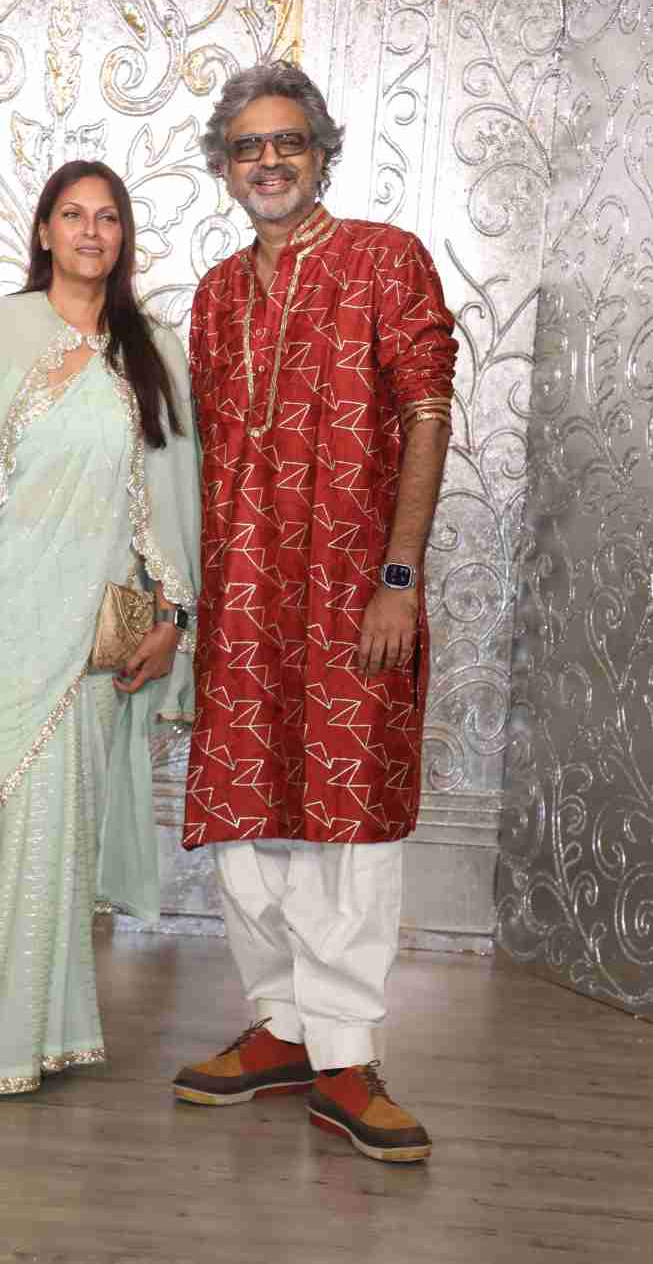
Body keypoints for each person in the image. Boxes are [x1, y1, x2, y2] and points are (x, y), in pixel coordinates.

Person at [172, 63, 457, 1163]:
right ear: (223, 167)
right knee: (245, 815)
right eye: (247, 146)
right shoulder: (214, 295)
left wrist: (399, 575)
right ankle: (281, 1028)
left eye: (287, 141)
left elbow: (426, 413)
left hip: (351, 593)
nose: (268, 161)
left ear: (321, 153)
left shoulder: (385, 259)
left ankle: (343, 1052)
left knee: (348, 821)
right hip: (242, 597)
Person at [0, 161, 199, 1097]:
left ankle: (46, 1033)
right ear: (45, 230)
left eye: (108, 217)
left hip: (93, 632)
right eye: (73, 215)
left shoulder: (152, 352)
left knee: (63, 836)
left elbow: (175, 499)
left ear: (123, 237)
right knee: (2, 825)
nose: (91, 231)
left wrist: (171, 617)